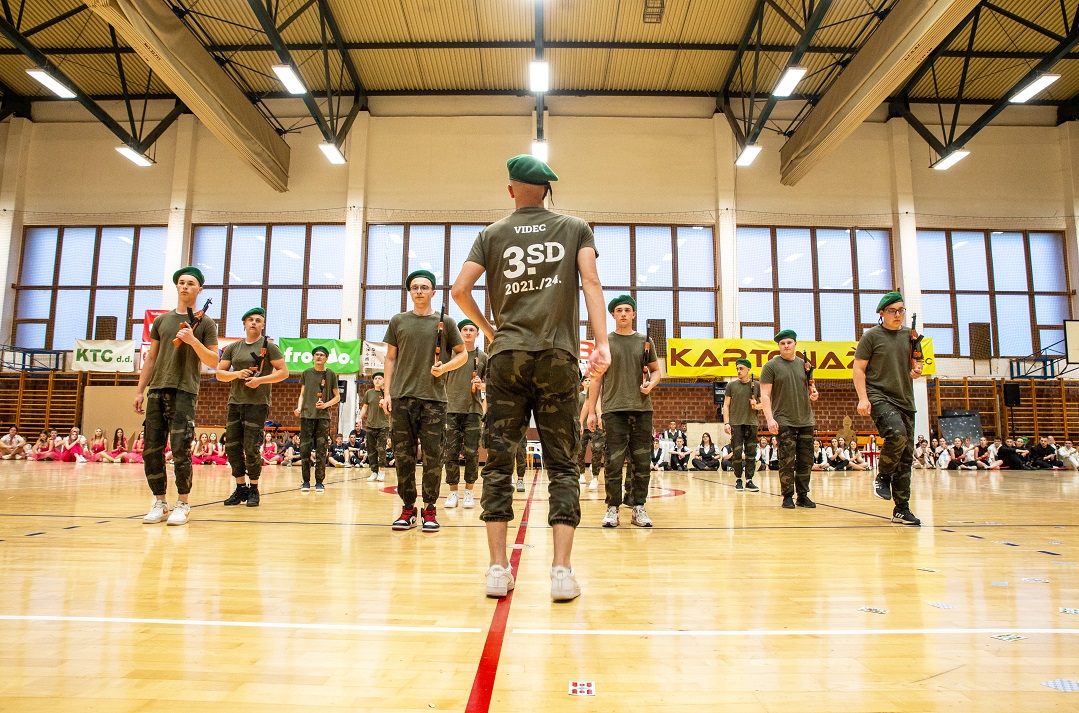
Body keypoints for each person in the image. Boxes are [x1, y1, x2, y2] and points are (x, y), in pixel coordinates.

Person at [452, 153, 610, 601]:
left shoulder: (491, 234)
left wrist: (489, 332)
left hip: (506, 357)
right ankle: (561, 572)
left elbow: (460, 290)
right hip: (558, 357)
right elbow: (591, 283)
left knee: (499, 462)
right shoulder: (575, 227)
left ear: (510, 190)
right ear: (546, 190)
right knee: (563, 464)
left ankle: (497, 569)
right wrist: (602, 343)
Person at [383, 269, 467, 533]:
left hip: (434, 400)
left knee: (433, 458)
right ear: (410, 292)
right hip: (401, 398)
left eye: (424, 287)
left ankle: (429, 509)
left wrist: (445, 368)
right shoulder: (398, 321)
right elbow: (390, 358)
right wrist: (387, 393)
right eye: (415, 287)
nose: (419, 291)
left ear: (433, 292)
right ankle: (408, 509)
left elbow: (462, 354)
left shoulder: (446, 323)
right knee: (403, 457)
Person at [134, 266, 219, 526]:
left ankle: (183, 503)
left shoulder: (206, 323)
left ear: (199, 289)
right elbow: (151, 358)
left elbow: (213, 361)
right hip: (157, 389)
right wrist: (139, 390)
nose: (184, 286)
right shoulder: (162, 321)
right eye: (181, 282)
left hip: (184, 390)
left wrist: (193, 340)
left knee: (181, 449)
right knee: (151, 449)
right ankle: (160, 502)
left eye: (190, 283)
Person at [584, 295, 660, 528]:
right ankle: (613, 508)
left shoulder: (645, 341)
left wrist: (651, 384)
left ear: (633, 314)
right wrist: (591, 412)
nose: (624, 313)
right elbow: (596, 379)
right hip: (613, 411)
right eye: (619, 310)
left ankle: (638, 507)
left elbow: (656, 371)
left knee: (641, 463)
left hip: (642, 410)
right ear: (613, 315)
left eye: (627, 310)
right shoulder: (604, 343)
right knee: (613, 463)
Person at [853, 291, 922, 525]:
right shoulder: (871, 336)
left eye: (901, 310)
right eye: (892, 311)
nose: (898, 315)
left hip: (905, 399)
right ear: (882, 313)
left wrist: (917, 370)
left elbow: (917, 363)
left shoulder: (910, 336)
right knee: (896, 434)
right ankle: (882, 476)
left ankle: (901, 509)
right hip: (879, 395)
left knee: (905, 456)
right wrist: (863, 398)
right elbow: (858, 369)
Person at [216, 307, 288, 506]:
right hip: (235, 402)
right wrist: (236, 374)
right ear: (244, 324)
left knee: (251, 447)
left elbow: (283, 372)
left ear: (263, 324)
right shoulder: (233, 347)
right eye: (250, 320)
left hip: (258, 403)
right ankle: (240, 487)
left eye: (258, 320)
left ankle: (254, 488)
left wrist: (260, 380)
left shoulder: (270, 347)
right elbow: (220, 374)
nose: (254, 322)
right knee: (232, 446)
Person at [761, 329, 819, 510]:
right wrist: (770, 419)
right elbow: (765, 395)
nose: (786, 346)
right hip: (784, 420)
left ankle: (803, 495)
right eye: (782, 343)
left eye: (789, 342)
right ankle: (787, 496)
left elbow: (811, 387)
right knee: (786, 460)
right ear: (778, 346)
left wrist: (814, 393)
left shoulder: (805, 365)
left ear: (795, 344)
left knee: (806, 460)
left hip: (806, 419)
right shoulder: (771, 366)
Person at [443, 318, 487, 510]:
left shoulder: (483, 357)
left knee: (472, 453)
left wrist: (482, 385)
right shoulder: (450, 355)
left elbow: (490, 384)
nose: (468, 332)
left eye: (472, 329)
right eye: (465, 330)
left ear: (477, 333)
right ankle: (453, 492)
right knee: (451, 452)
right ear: (460, 333)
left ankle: (469, 491)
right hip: (451, 410)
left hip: (473, 411)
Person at [295, 346, 340, 493]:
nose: (319, 357)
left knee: (321, 450)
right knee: (305, 450)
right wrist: (299, 408)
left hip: (323, 417)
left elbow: (337, 397)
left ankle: (319, 481)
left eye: (322, 355)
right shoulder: (307, 373)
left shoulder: (330, 374)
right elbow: (302, 394)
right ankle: (306, 481)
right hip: (306, 416)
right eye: (316, 354)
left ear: (326, 358)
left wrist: (325, 405)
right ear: (313, 357)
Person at [722, 358, 762, 491]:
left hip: (751, 423)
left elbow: (764, 403)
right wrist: (726, 422)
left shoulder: (756, 385)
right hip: (736, 424)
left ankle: (749, 480)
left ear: (748, 369)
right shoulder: (731, 386)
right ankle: (738, 479)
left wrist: (756, 406)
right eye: (737, 369)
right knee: (737, 453)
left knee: (751, 453)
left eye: (741, 369)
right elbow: (726, 405)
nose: (739, 371)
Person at [361, 372, 390, 483]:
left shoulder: (386, 394)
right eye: (375, 378)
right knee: (371, 449)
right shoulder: (369, 393)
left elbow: (390, 409)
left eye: (380, 378)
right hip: (370, 425)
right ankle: (374, 471)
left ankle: (382, 470)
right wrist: (359, 418)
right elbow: (365, 407)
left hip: (383, 425)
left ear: (384, 381)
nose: (377, 380)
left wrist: (384, 404)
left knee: (381, 449)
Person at [577, 376, 605, 491]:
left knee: (597, 450)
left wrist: (599, 416)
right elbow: (584, 406)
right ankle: (581, 473)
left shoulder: (603, 390)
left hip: (598, 426)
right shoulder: (580, 396)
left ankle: (595, 477)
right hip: (585, 426)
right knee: (580, 451)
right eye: (586, 380)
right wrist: (580, 423)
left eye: (590, 380)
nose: (588, 382)